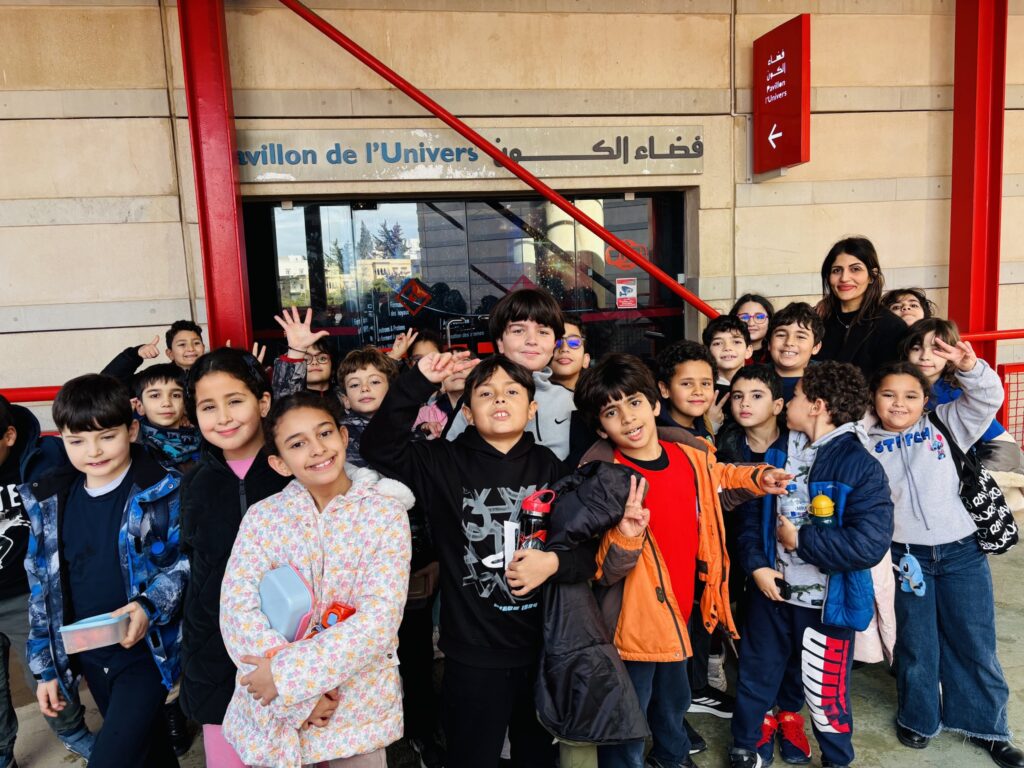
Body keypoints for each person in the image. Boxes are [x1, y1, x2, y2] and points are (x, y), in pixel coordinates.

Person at [363, 353, 580, 768]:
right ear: (467, 412)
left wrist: (552, 564)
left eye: (512, 392)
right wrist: (418, 381)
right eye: (485, 393)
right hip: (472, 652)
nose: (500, 399)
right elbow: (378, 446)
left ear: (531, 409)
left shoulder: (551, 466)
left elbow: (578, 549)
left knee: (537, 756)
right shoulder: (441, 461)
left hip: (541, 648)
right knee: (471, 756)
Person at [573, 353, 790, 768]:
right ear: (601, 427)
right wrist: (627, 535)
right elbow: (602, 569)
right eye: (612, 412)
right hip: (633, 620)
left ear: (655, 403)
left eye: (635, 402)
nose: (628, 418)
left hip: (682, 605)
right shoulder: (604, 476)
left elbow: (721, 476)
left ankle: (671, 755)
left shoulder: (689, 455)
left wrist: (759, 477)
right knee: (629, 709)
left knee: (674, 697)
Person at [218, 391, 412, 767]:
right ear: (279, 463)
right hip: (274, 714)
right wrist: (298, 699)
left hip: (355, 709)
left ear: (343, 436)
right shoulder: (263, 517)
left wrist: (286, 677)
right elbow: (237, 608)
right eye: (297, 444)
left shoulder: (385, 514)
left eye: (324, 433)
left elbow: (379, 620)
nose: (317, 449)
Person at [730, 361, 894, 768]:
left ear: (818, 406)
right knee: (755, 673)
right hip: (771, 593)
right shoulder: (777, 452)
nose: (790, 403)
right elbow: (749, 520)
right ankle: (746, 745)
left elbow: (869, 544)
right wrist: (757, 567)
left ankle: (835, 758)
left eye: (797, 396)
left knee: (826, 691)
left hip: (826, 604)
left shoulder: (860, 465)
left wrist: (801, 541)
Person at [867, 348, 1024, 768]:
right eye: (887, 394)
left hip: (962, 552)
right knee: (916, 644)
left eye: (910, 396)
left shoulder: (946, 423)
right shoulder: (864, 442)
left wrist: (969, 366)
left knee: (975, 642)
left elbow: (988, 397)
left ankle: (987, 727)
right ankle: (919, 718)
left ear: (925, 399)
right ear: (873, 398)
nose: (898, 404)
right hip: (905, 558)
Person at [23, 374, 188, 768]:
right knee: (149, 748)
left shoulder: (162, 490)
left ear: (131, 430)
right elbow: (42, 588)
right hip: (89, 652)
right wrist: (47, 669)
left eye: (107, 436)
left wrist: (148, 606)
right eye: (77, 441)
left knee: (112, 757)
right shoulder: (50, 501)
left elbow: (185, 564)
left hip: (146, 653)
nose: (93, 451)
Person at [178, 348, 291, 766]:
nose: (223, 417)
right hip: (216, 658)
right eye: (208, 406)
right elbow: (194, 571)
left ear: (263, 403)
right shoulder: (193, 483)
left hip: (291, 653)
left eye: (235, 401)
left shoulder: (295, 470)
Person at [0, 396, 94, 766]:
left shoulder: (45, 457)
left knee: (47, 670)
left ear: (9, 435)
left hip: (27, 596)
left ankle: (73, 731)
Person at [444, 288, 576, 461]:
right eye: (518, 330)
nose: (532, 340)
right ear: (500, 342)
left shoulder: (571, 400)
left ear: (554, 344)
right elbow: (448, 459)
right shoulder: (478, 397)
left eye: (543, 332)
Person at [901, 318, 1024, 475]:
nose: (925, 356)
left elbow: (988, 396)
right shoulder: (907, 385)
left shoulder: (953, 392)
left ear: (950, 354)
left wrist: (971, 368)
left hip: (996, 449)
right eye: (916, 348)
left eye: (936, 350)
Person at [814, 236, 908, 379]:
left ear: (872, 276)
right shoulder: (816, 319)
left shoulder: (891, 327)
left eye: (855, 269)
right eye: (836, 270)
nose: (844, 278)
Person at [132, 363, 201, 474]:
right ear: (140, 407)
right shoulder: (134, 443)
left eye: (176, 395)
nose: (166, 403)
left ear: (185, 404)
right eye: (155, 396)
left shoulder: (205, 437)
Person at [102, 319, 206, 384]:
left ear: (203, 348)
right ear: (170, 354)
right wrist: (134, 354)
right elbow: (107, 385)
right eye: (182, 344)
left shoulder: (213, 374)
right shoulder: (156, 376)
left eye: (196, 343)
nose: (191, 349)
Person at [655, 340, 720, 438]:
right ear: (665, 389)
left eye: (705, 383)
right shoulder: (660, 437)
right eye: (686, 384)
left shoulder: (704, 423)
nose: (698, 391)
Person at [767, 303, 824, 403]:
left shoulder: (827, 381)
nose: (789, 342)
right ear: (769, 344)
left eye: (801, 337)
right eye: (781, 335)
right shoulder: (753, 378)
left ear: (816, 347)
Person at [703, 316, 754, 388]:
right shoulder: (703, 388)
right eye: (718, 343)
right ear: (707, 352)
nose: (727, 348)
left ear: (748, 351)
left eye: (736, 342)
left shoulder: (761, 385)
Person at [729, 294, 775, 364]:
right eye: (744, 317)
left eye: (759, 317)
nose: (751, 323)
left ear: (770, 321)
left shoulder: (777, 354)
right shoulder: (726, 352)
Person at [550, 319, 591, 391]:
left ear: (586, 360)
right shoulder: (530, 395)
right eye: (557, 342)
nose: (564, 348)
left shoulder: (599, 396)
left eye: (574, 343)